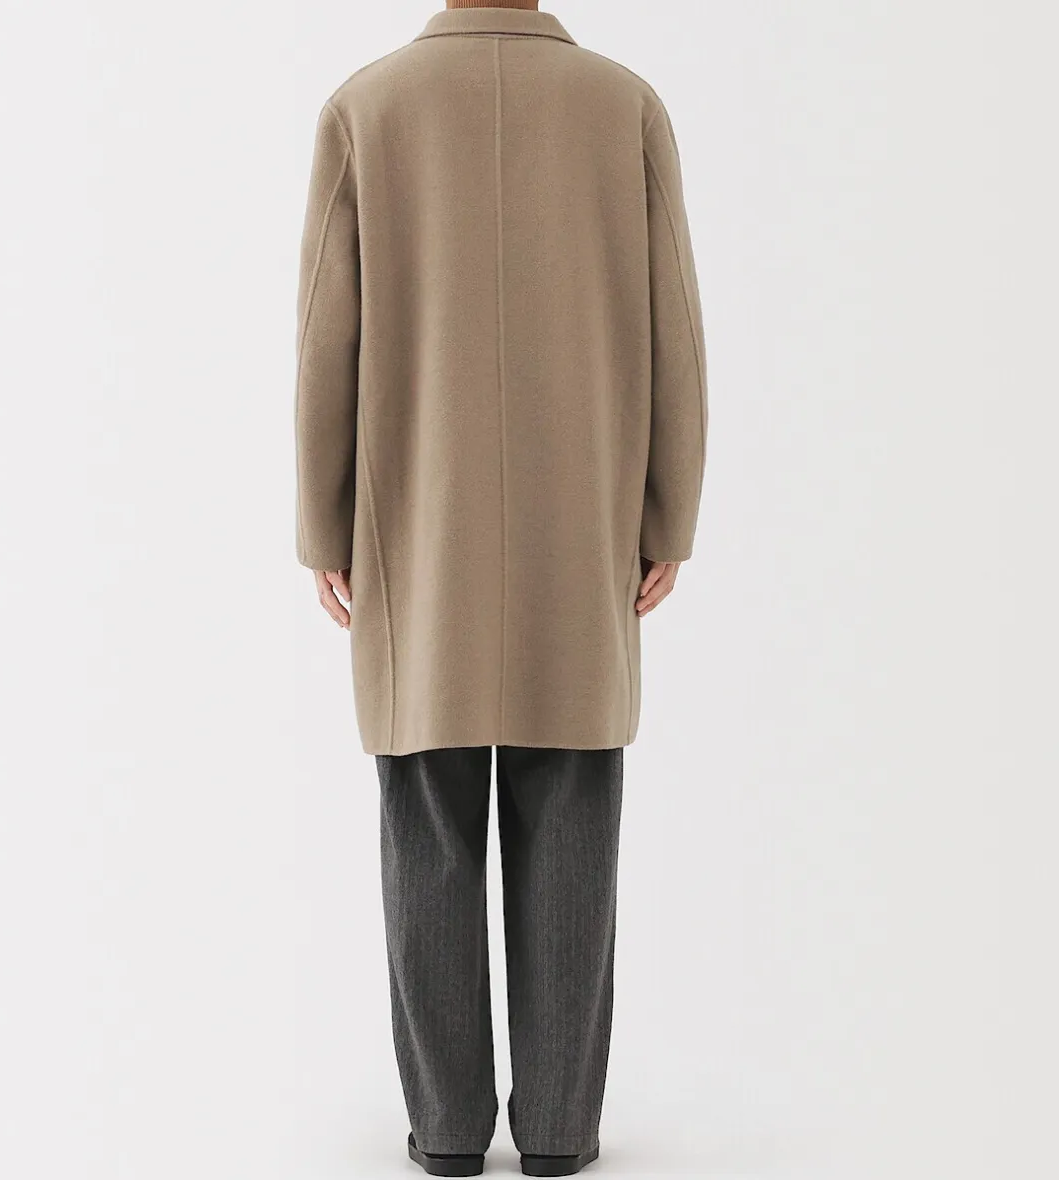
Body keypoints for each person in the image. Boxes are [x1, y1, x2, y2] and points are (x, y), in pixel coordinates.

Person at [294, 2, 707, 1175]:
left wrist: (325, 520)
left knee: (426, 823)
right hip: (581, 523)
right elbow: (675, 329)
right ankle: (561, 1132)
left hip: (416, 527)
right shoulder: (622, 106)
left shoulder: (367, 107)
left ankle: (446, 1132)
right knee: (570, 808)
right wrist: (667, 511)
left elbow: (326, 338)